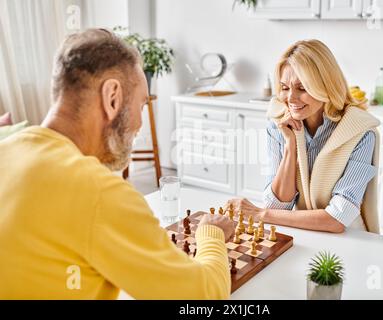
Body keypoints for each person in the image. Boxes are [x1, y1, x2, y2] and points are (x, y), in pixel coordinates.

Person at [0, 29, 234, 299]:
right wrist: (211, 234)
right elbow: (205, 297)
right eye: (142, 105)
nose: (140, 124)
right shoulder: (97, 191)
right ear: (112, 97)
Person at [227, 40, 380, 234]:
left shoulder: (359, 132)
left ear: (326, 86)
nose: (290, 99)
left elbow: (337, 219)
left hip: (350, 238)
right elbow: (277, 206)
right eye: (284, 88)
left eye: (302, 88)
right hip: (302, 232)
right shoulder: (280, 122)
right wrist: (291, 145)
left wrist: (259, 215)